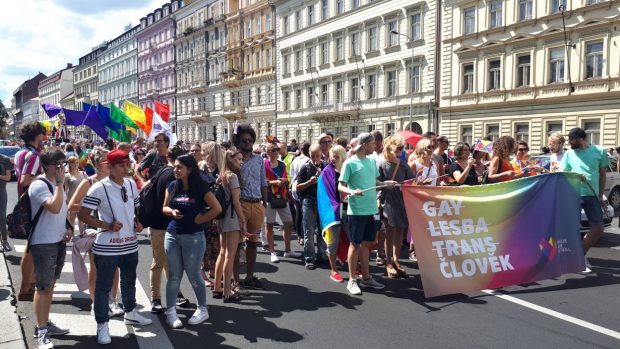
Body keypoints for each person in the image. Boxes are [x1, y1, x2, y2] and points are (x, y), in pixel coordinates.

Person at [79, 149, 152, 345]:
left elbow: (134, 208)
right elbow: (83, 215)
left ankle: (130, 312)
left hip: (130, 244)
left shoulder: (130, 184)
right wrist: (106, 225)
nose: (126, 168)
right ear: (109, 167)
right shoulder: (99, 188)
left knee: (129, 281)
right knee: (104, 288)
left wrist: (137, 223)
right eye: (121, 165)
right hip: (107, 247)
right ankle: (102, 324)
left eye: (127, 164)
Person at [162, 154, 221, 328]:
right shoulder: (173, 185)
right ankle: (171, 312)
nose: (176, 169)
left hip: (194, 237)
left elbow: (217, 208)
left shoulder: (200, 187)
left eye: (180, 167)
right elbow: (164, 207)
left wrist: (200, 220)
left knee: (194, 274)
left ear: (189, 169)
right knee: (174, 275)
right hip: (172, 235)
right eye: (175, 166)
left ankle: (202, 309)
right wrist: (171, 212)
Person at [338, 132, 397, 295]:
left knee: (366, 245)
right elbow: (340, 186)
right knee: (355, 244)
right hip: (356, 211)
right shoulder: (350, 163)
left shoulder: (372, 161)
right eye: (372, 144)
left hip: (372, 209)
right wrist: (352, 191)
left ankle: (366, 277)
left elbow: (375, 182)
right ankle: (351, 280)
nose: (375, 146)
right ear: (364, 145)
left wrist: (385, 184)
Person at [68, 148, 124, 318]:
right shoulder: (88, 182)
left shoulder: (116, 181)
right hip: (95, 230)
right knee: (96, 268)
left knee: (115, 268)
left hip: (115, 229)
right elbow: (72, 206)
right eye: (108, 161)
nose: (112, 164)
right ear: (99, 164)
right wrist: (93, 204)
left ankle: (112, 301)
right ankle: (94, 303)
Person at [29, 149, 71, 349]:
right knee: (43, 287)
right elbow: (53, 207)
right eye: (59, 165)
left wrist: (67, 228)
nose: (63, 168)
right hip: (43, 242)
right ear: (47, 166)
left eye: (64, 164)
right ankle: (41, 330)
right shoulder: (39, 185)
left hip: (58, 240)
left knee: (51, 285)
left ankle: (45, 323)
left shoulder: (58, 184)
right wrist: (61, 184)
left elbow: (63, 209)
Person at [145, 145, 189, 313]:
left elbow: (145, 185)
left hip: (159, 223)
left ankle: (175, 293)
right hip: (163, 223)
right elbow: (174, 201)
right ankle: (155, 299)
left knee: (167, 262)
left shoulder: (163, 170)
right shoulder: (172, 175)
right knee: (159, 262)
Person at [560, 128, 608, 273]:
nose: (569, 142)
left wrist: (600, 195)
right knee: (571, 229)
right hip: (573, 194)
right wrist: (575, 175)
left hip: (591, 195)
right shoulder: (569, 153)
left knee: (598, 228)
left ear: (580, 138)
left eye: (571, 139)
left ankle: (579, 255)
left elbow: (603, 175)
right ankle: (575, 259)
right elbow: (562, 173)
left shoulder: (600, 151)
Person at [233, 124, 268, 290]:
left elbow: (263, 182)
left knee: (253, 243)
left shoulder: (259, 159)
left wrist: (265, 203)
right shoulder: (234, 160)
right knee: (236, 244)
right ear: (238, 142)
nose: (248, 142)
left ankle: (249, 277)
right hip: (240, 205)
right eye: (244, 140)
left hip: (257, 204)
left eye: (250, 140)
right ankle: (235, 281)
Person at [15, 122, 46, 301]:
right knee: (31, 248)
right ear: (37, 135)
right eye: (42, 133)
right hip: (33, 204)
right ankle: (26, 286)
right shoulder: (33, 155)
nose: (44, 137)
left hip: (26, 203)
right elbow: (26, 180)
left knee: (31, 246)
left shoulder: (21, 152)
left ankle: (30, 283)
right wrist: (46, 176)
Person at [213, 148, 247, 302]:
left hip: (221, 217)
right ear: (231, 159)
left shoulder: (220, 176)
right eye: (239, 159)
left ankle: (217, 287)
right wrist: (243, 220)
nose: (241, 162)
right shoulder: (232, 176)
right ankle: (227, 291)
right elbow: (236, 201)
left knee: (222, 252)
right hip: (231, 218)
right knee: (230, 255)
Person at [378, 136, 414, 278]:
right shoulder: (382, 164)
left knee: (400, 231)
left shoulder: (403, 164)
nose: (401, 150)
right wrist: (385, 183)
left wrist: (418, 181)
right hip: (388, 201)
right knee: (390, 232)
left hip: (401, 200)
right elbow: (376, 183)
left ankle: (396, 260)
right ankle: (388, 262)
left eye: (402, 148)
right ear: (390, 148)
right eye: (399, 148)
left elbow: (411, 181)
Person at [264, 142, 300, 263]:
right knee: (269, 224)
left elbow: (287, 178)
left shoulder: (282, 164)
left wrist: (284, 180)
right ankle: (272, 252)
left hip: (282, 196)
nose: (274, 152)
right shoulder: (263, 164)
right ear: (267, 151)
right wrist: (274, 183)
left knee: (288, 223)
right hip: (269, 197)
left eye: (276, 150)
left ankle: (288, 250)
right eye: (271, 150)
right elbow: (262, 181)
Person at [317, 145, 347, 282]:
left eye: (337, 156)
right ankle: (334, 270)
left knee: (352, 239)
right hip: (334, 211)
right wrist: (333, 208)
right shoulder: (326, 172)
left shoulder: (348, 169)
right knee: (333, 242)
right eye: (332, 156)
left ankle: (355, 266)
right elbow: (324, 194)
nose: (333, 159)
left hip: (349, 210)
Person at [296, 144, 327, 269]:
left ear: (321, 154)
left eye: (317, 156)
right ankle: (309, 258)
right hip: (309, 201)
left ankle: (321, 255)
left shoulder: (325, 166)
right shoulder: (306, 167)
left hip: (322, 201)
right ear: (309, 155)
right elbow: (298, 187)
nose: (315, 158)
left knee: (322, 230)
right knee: (308, 231)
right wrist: (310, 182)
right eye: (313, 156)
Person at [199, 142, 222, 288]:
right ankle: (203, 274)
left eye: (204, 151)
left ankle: (215, 270)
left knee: (216, 243)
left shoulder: (222, 168)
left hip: (218, 211)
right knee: (202, 244)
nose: (202, 154)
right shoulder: (200, 168)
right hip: (203, 210)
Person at [290, 142, 310, 246]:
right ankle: (302, 235)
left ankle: (299, 235)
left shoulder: (295, 160)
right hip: (304, 187)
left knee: (299, 211)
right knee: (304, 213)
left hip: (295, 186)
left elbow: (291, 174)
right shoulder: (308, 161)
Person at [64, 156, 87, 225]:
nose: (76, 164)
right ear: (70, 164)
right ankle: (72, 235)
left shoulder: (83, 173)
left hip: (83, 200)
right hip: (72, 200)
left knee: (82, 220)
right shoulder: (67, 176)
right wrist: (65, 201)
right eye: (73, 163)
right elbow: (65, 190)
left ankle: (82, 235)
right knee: (72, 219)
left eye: (77, 163)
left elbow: (88, 186)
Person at [0, 155, 12, 252]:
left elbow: (8, 177)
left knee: (2, 217)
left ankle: (4, 240)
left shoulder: (4, 159)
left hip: (1, 190)